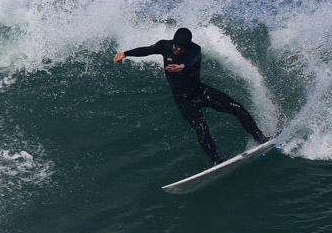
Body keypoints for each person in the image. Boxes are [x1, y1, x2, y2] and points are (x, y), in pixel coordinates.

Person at [114, 28, 270, 165]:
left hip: (201, 92)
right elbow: (147, 50)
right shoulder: (164, 46)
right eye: (176, 46)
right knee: (201, 128)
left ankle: (260, 138)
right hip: (184, 101)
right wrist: (126, 54)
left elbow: (192, 59)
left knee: (237, 108)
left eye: (181, 48)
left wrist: (182, 66)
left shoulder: (195, 50)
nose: (177, 50)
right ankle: (217, 160)